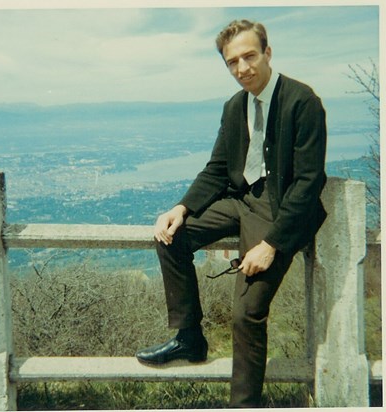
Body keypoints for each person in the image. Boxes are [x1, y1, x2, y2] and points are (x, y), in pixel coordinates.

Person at [136, 19, 327, 408]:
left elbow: (309, 183)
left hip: (279, 211)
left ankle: (244, 404)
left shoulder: (302, 102)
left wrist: (271, 244)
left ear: (268, 53)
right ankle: (189, 337)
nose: (242, 68)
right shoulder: (234, 106)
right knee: (171, 237)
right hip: (241, 200)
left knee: (246, 314)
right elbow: (219, 169)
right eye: (232, 62)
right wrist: (180, 208)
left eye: (249, 56)